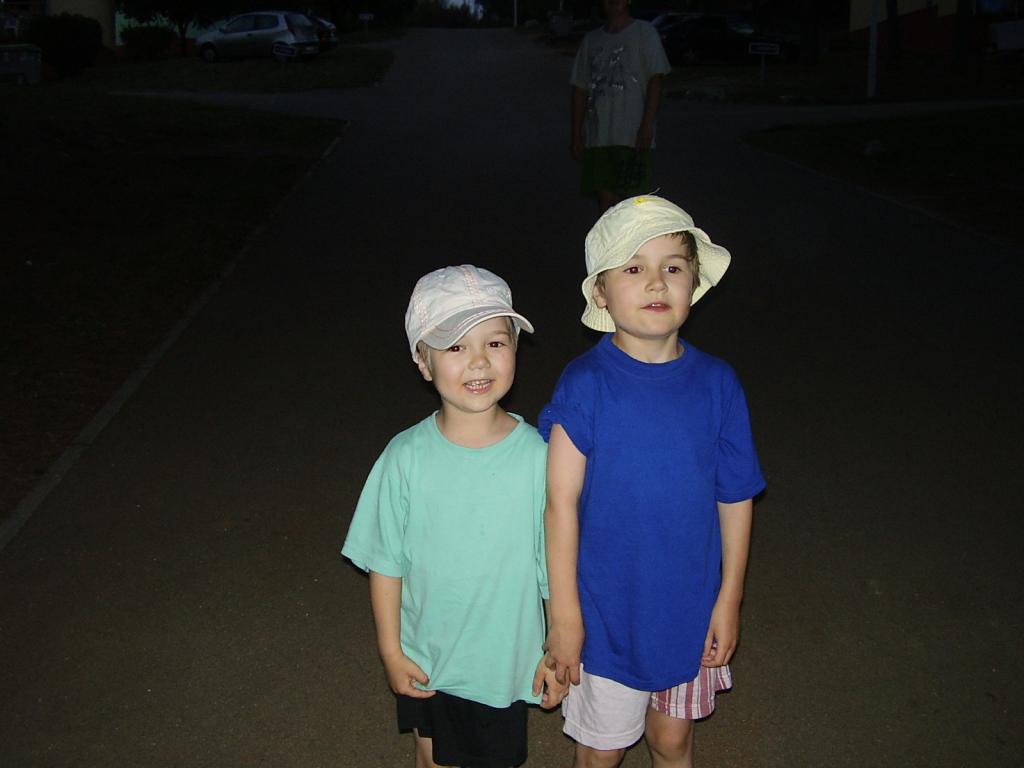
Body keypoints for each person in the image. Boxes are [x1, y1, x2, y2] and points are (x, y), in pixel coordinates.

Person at [539, 196, 765, 767]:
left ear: (693, 282)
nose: (657, 282)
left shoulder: (718, 383)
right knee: (602, 751)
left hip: (689, 609)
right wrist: (564, 616)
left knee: (671, 741)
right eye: (633, 268)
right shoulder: (585, 382)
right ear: (601, 292)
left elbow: (735, 496)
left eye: (673, 266)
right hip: (605, 614)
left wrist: (729, 597)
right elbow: (559, 503)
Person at [342, 264, 567, 768]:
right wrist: (391, 652)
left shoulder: (539, 457)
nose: (479, 361)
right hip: (428, 657)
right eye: (455, 347)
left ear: (516, 348)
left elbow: (550, 564)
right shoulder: (403, 457)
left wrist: (556, 647)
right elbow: (386, 562)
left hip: (502, 662)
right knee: (433, 759)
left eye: (495, 342)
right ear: (423, 363)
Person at [570, 0, 672, 213]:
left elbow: (655, 80)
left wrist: (647, 126)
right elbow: (580, 88)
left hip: (632, 137)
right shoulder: (591, 40)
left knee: (632, 204)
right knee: (606, 205)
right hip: (599, 138)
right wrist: (577, 134)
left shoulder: (645, 33)